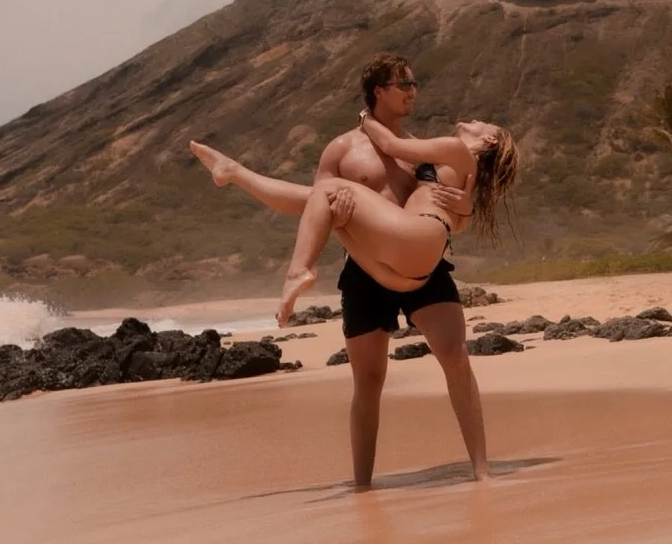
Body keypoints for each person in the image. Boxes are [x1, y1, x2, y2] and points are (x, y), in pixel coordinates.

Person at [189, 54, 497, 488]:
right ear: (379, 91)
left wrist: (465, 207)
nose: (413, 90)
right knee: (368, 381)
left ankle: (482, 471)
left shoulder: (418, 149)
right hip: (364, 271)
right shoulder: (341, 149)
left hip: (424, 265)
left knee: (456, 359)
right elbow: (313, 206)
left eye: (415, 81)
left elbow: (450, 218)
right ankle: (363, 487)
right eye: (403, 83)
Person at [275, 110, 518, 325]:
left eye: (482, 123)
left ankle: (298, 271)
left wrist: (365, 117)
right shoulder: (464, 166)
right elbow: (457, 221)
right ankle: (238, 173)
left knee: (328, 189)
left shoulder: (455, 150)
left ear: (489, 139)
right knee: (330, 208)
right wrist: (467, 211)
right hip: (422, 254)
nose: (476, 119)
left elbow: (391, 145)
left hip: (420, 234)